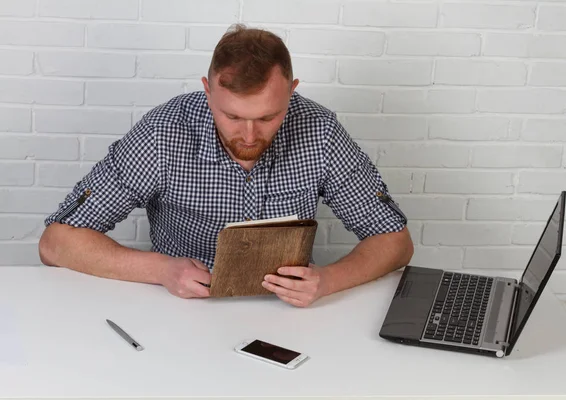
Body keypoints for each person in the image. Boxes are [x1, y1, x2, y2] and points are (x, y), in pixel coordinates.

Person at [38, 24, 414, 307]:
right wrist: (162, 270)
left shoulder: (321, 131)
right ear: (207, 89)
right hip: (181, 306)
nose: (249, 135)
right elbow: (56, 244)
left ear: (292, 89)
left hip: (288, 314)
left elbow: (395, 242)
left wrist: (328, 280)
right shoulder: (163, 133)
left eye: (269, 117)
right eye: (231, 116)